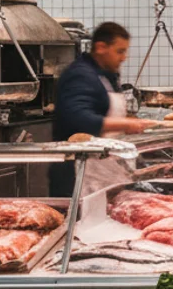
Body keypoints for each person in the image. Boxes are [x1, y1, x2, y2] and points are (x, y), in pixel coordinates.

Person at [50, 22, 156, 196]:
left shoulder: (104, 75)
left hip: (104, 170)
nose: (124, 57)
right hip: (79, 175)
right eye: (120, 51)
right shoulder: (80, 75)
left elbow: (102, 109)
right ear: (101, 47)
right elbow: (78, 117)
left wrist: (127, 121)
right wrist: (125, 124)